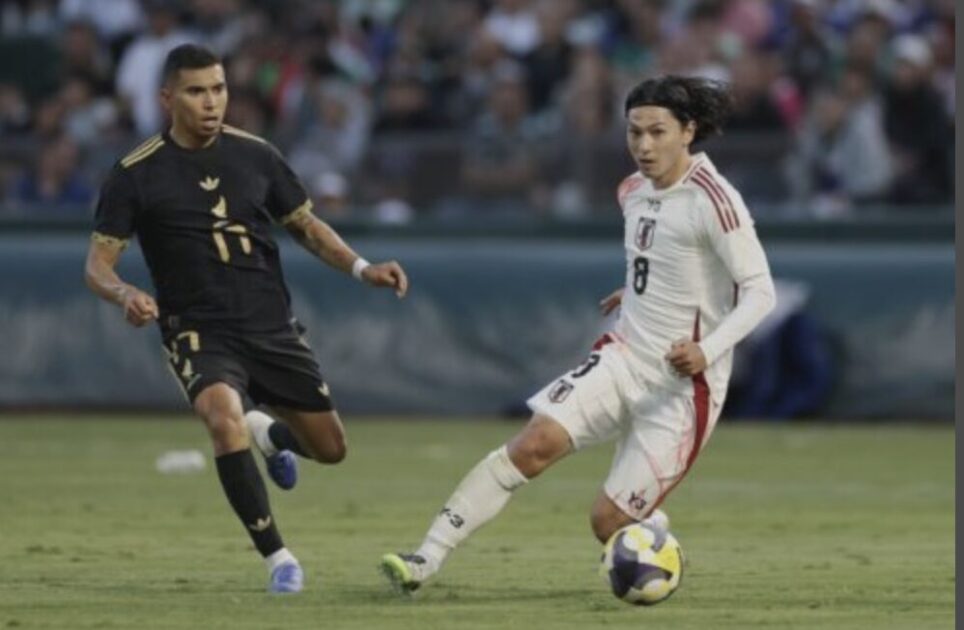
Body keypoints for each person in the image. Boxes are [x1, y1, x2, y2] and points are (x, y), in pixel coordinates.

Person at [380, 75, 776, 593]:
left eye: (657, 132)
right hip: (624, 355)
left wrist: (707, 349)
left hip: (683, 387)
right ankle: (424, 559)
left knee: (608, 524)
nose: (643, 145)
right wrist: (635, 291)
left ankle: (652, 533)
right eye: (634, 132)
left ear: (688, 131)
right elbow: (669, 260)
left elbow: (760, 291)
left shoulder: (714, 199)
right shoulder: (632, 190)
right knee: (533, 444)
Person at [84, 44, 408, 594]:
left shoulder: (257, 155)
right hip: (197, 328)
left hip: (270, 324)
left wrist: (362, 267)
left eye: (218, 89)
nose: (211, 102)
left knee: (331, 449)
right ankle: (279, 558)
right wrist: (123, 294)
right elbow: (97, 264)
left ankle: (270, 434)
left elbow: (306, 226)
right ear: (167, 98)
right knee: (221, 418)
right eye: (196, 91)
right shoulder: (135, 173)